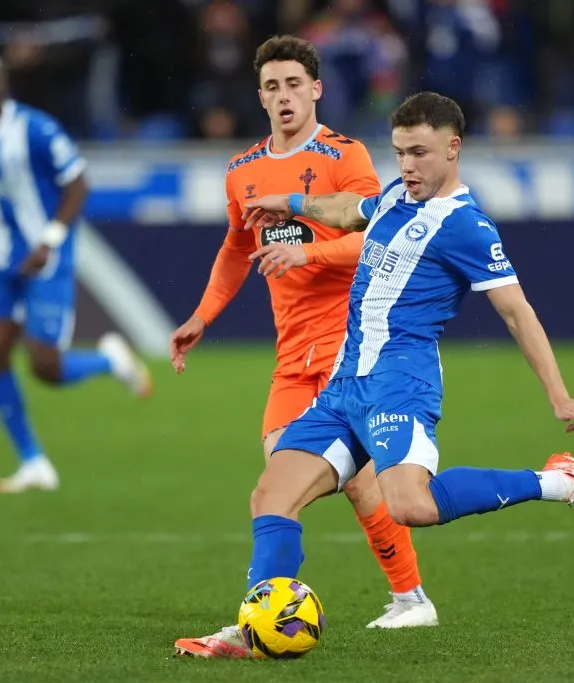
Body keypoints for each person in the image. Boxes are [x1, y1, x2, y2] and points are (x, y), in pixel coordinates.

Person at [177, 91, 574, 659]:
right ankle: (257, 627)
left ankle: (559, 481)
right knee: (271, 495)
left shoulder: (467, 226)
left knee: (410, 507)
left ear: (453, 148)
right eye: (399, 153)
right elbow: (349, 210)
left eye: (419, 153)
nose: (407, 166)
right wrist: (292, 203)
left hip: (401, 384)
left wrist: (560, 396)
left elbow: (518, 313)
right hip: (346, 385)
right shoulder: (397, 194)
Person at [171, 36, 438, 654]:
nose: (284, 96)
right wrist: (203, 316)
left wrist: (307, 252)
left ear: (315, 89)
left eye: (294, 84)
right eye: (272, 86)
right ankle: (299, 613)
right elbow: (236, 248)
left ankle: (287, 617)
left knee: (345, 488)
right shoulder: (242, 171)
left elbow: (376, 234)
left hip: (351, 349)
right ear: (260, 97)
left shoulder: (345, 155)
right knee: (279, 489)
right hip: (293, 358)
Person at [0, 53, 150, 494]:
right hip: (1, 260)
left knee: (45, 368)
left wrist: (49, 239)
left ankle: (111, 361)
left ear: (3, 86)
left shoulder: (35, 129)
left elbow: (78, 184)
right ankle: (33, 461)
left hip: (47, 259)